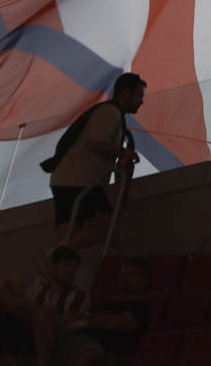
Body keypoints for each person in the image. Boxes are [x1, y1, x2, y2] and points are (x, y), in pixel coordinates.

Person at [43, 73, 147, 251]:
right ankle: (60, 253)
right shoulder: (110, 112)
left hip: (66, 179)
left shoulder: (109, 112)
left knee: (67, 231)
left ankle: (56, 258)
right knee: (107, 227)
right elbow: (95, 143)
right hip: (81, 180)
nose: (141, 101)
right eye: (139, 96)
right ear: (126, 93)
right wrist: (124, 152)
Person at [0, 245, 87, 366]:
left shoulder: (80, 296)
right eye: (65, 265)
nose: (70, 271)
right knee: (5, 318)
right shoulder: (41, 292)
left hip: (59, 346)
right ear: (53, 268)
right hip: (33, 341)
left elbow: (65, 321)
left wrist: (33, 310)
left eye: (73, 267)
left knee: (45, 312)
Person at [57, 256, 154, 366]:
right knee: (47, 316)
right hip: (76, 336)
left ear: (144, 280)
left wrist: (99, 320)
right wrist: (112, 319)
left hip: (102, 347)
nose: (125, 279)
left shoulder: (142, 308)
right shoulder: (108, 304)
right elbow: (90, 319)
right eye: (124, 274)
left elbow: (123, 324)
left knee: (88, 353)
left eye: (131, 275)